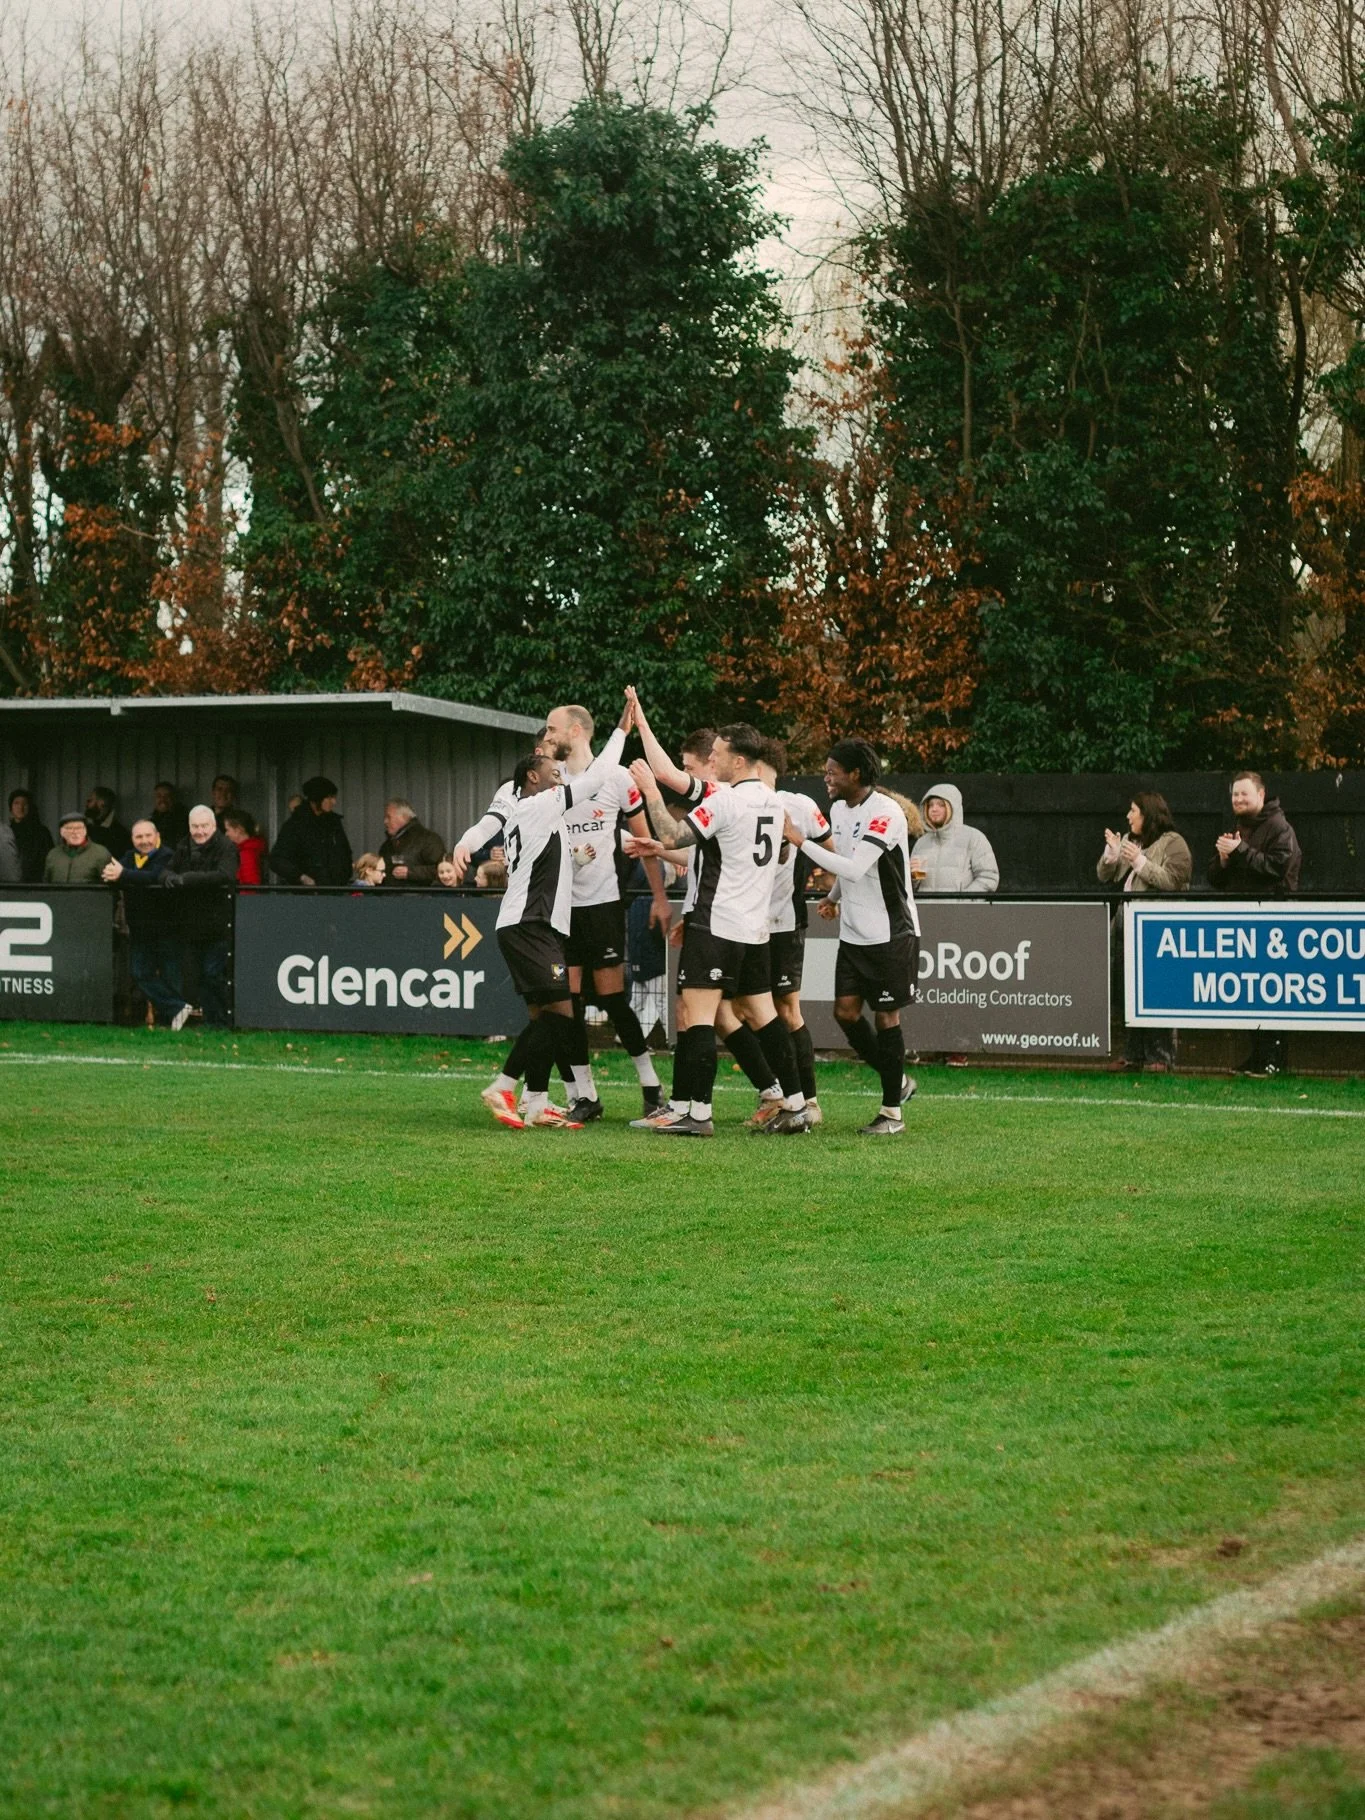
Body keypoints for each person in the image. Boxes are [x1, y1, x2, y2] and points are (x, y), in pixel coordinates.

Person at [629, 691, 810, 1138]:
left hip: (718, 921)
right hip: (756, 926)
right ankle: (796, 1103)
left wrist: (651, 791)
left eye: (718, 753)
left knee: (699, 1014)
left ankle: (698, 1112)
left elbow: (672, 832)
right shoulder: (772, 800)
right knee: (763, 1014)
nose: (713, 758)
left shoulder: (726, 800)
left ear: (739, 761)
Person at [452, 697, 634, 1129]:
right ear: (534, 775)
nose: (561, 774)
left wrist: (578, 859)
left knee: (548, 1015)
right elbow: (598, 777)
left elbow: (543, 861)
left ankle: (535, 1103)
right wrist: (622, 731)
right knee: (560, 1014)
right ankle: (503, 1085)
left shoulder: (539, 808)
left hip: (531, 923)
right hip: (531, 925)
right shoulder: (539, 803)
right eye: (554, 770)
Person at [528, 702, 672, 1121]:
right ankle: (583, 1095)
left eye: (553, 728)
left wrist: (661, 899)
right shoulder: (549, 782)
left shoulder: (615, 778)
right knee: (565, 1003)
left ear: (575, 730)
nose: (547, 735)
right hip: (560, 911)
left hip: (603, 906)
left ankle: (650, 1085)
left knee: (612, 999)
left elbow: (645, 844)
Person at [783, 739, 918, 1136]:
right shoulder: (839, 810)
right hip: (854, 934)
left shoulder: (887, 812)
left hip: (891, 933)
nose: (826, 777)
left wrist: (801, 841)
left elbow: (858, 866)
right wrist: (832, 895)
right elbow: (847, 865)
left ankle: (892, 1112)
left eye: (832, 771)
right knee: (844, 1013)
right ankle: (900, 1081)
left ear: (855, 774)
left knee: (886, 1016)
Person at [755, 737, 832, 1124]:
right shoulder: (730, 802)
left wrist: (832, 892)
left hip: (783, 923)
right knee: (744, 1009)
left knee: (786, 1011)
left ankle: (808, 1102)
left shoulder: (799, 805)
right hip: (743, 924)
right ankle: (777, 1096)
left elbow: (832, 854)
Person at [1207, 771, 1303, 1075]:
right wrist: (1223, 861)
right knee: (1250, 992)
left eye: (1244, 794)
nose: (1237, 799)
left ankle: (1274, 1058)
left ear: (1261, 795)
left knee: (1272, 989)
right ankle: (1257, 1055)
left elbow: (1277, 869)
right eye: (1234, 794)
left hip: (1273, 920)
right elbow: (1216, 879)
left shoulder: (1279, 827)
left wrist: (1240, 852)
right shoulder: (1238, 828)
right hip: (1243, 919)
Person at [1097, 792, 1192, 1073]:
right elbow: (1105, 876)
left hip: (1156, 932)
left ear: (1149, 814)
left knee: (1155, 993)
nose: (1128, 816)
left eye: (1133, 811)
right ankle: (1134, 1054)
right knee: (1128, 993)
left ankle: (1160, 1056)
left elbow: (1174, 882)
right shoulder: (1132, 841)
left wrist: (1140, 862)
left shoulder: (1174, 843)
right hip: (1125, 930)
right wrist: (1111, 856)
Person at [101, 819, 192, 1030]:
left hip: (168, 926)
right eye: (138, 837)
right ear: (132, 839)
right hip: (140, 928)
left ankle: (172, 1019)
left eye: (148, 836)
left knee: (171, 974)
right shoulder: (129, 858)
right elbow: (112, 873)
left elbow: (155, 877)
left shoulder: (168, 856)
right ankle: (178, 1008)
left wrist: (124, 875)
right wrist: (117, 875)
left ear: (157, 836)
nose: (144, 841)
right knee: (139, 972)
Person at [165, 805, 239, 1027]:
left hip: (218, 923)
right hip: (190, 924)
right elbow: (167, 869)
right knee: (194, 975)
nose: (200, 831)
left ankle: (222, 1020)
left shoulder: (227, 847)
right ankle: (211, 1020)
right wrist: (167, 877)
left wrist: (187, 879)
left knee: (213, 973)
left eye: (204, 826)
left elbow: (224, 876)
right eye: (195, 826)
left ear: (214, 826)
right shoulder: (183, 846)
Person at [912, 785, 999, 894]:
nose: (934, 809)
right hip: (926, 910)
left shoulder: (974, 838)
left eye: (941, 805)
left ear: (953, 808)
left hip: (961, 911)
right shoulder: (921, 843)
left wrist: (963, 903)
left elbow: (989, 877)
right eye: (930, 805)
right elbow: (909, 889)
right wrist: (913, 878)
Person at [269, 775, 353, 886]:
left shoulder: (334, 823)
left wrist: (345, 873)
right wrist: (301, 877)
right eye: (329, 797)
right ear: (316, 798)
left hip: (337, 892)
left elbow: (345, 852)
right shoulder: (295, 825)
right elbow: (277, 859)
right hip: (307, 896)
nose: (334, 802)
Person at [378, 799, 446, 886]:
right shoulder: (387, 846)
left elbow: (443, 870)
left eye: (388, 817)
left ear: (404, 817)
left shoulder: (429, 840)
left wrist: (410, 872)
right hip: (387, 897)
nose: (385, 821)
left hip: (421, 898)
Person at [44, 812, 112, 884]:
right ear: (62, 832)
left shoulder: (101, 853)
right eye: (69, 828)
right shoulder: (53, 855)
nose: (75, 832)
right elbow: (46, 888)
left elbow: (110, 890)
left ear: (85, 831)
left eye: (79, 828)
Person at [9, 789, 53, 881]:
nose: (20, 807)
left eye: (24, 804)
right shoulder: (6, 833)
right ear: (11, 808)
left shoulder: (42, 833)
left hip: (34, 885)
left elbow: (49, 861)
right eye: (16, 803)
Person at [84, 786, 132, 862]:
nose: (87, 804)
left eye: (90, 800)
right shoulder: (85, 829)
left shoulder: (120, 835)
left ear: (101, 803)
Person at [223, 809, 268, 886]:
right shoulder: (250, 849)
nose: (226, 834)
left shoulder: (247, 853)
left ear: (238, 830)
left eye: (228, 830)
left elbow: (250, 888)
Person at [151, 782, 189, 848]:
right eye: (159, 796)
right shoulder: (150, 823)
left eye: (167, 796)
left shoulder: (183, 822)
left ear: (173, 798)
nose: (163, 800)